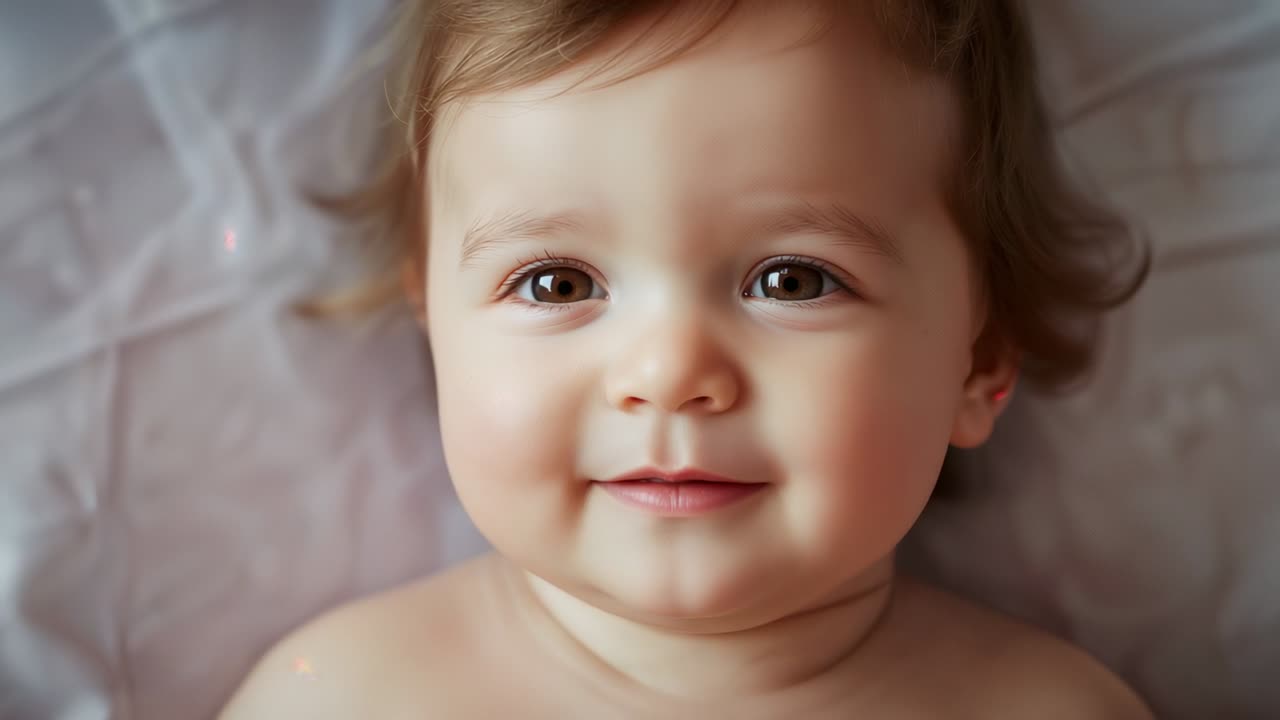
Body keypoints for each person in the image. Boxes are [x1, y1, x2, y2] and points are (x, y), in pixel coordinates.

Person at [220, 0, 1153, 716]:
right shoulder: (340, 697)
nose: (668, 373)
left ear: (979, 357)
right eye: (557, 284)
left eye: (793, 281)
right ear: (435, 326)